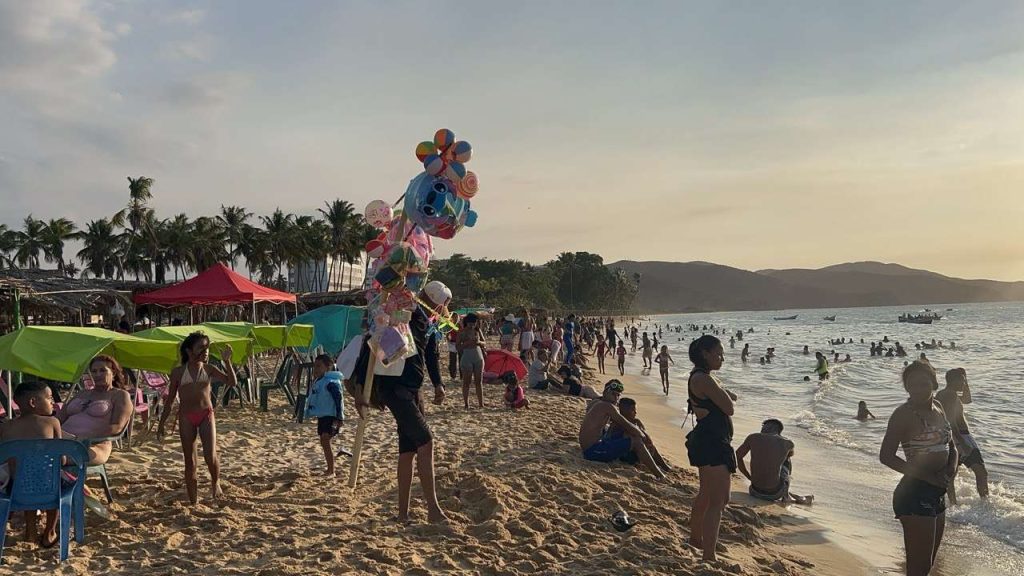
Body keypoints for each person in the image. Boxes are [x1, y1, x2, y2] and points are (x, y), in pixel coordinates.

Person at [350, 280, 449, 523]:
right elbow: (372, 344)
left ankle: (402, 514)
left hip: (413, 389)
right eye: (442, 305)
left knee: (408, 451)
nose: (444, 310)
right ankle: (433, 511)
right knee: (426, 442)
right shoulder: (405, 312)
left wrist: (437, 383)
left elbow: (430, 354)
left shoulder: (426, 321)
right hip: (396, 388)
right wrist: (361, 389)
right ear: (434, 301)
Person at [879, 361, 957, 576]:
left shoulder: (939, 407)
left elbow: (952, 446)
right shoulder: (902, 415)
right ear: (906, 387)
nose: (919, 390)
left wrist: (950, 472)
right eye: (913, 385)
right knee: (918, 569)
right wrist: (928, 478)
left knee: (928, 564)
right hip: (914, 493)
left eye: (924, 384)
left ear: (933, 383)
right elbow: (886, 456)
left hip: (938, 493)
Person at [158, 334, 237, 504]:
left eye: (207, 348)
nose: (205, 351)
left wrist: (227, 361)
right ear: (189, 350)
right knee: (190, 461)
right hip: (186, 417)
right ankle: (194, 501)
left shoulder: (208, 369)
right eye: (201, 348)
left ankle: (215, 483)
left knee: (210, 455)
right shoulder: (178, 372)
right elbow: (170, 399)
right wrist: (162, 423)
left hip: (206, 414)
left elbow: (232, 382)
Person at [685, 335, 736, 562]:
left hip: (707, 440)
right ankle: (709, 555)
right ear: (705, 353)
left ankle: (696, 539)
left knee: (706, 494)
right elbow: (729, 407)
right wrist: (724, 394)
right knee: (719, 501)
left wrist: (722, 392)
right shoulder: (704, 379)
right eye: (719, 353)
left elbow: (720, 398)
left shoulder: (699, 377)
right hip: (713, 443)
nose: (722, 358)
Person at [0, 382, 62, 548]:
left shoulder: (6, 427)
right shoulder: (52, 423)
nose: (52, 402)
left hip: (17, 489)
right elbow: (60, 459)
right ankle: (50, 532)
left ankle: (31, 531)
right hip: (49, 488)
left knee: (25, 475)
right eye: (49, 398)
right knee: (53, 479)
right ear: (33, 402)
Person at [578, 380, 665, 478]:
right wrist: (644, 436)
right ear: (605, 392)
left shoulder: (598, 403)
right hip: (592, 452)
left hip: (592, 447)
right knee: (636, 441)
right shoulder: (607, 406)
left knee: (629, 434)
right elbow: (627, 425)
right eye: (613, 394)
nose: (616, 397)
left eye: (618, 395)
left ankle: (660, 466)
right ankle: (660, 475)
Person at [59, 355, 134, 466]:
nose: (97, 375)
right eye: (94, 371)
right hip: (62, 440)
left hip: (94, 445)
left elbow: (117, 426)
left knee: (56, 458)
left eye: (102, 370)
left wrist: (84, 438)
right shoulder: (82, 393)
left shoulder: (119, 395)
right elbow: (59, 418)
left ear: (113, 373)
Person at [936, 368, 988, 502]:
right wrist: (963, 443)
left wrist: (966, 380)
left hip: (949, 437)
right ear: (954, 380)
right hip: (960, 436)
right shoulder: (950, 396)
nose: (964, 384)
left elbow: (967, 399)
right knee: (981, 472)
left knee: (952, 474)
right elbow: (950, 421)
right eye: (962, 380)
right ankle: (985, 505)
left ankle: (953, 504)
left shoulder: (944, 394)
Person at [735, 419, 813, 505]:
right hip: (774, 494)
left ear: (763, 428)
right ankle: (786, 496)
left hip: (754, 490)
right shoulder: (788, 443)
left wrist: (749, 477)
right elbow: (790, 455)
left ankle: (791, 495)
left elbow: (738, 456)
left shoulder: (752, 437)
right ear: (779, 431)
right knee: (786, 460)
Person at [305, 354, 345, 476]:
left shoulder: (331, 382)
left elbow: (339, 399)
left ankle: (331, 470)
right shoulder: (319, 381)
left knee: (325, 440)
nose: (315, 369)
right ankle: (330, 467)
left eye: (319, 366)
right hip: (322, 416)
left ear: (328, 367)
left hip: (331, 416)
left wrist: (339, 417)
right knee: (324, 442)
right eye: (314, 366)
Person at [608, 397, 671, 471]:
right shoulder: (619, 423)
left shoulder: (632, 422)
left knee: (650, 446)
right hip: (622, 455)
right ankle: (663, 467)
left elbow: (645, 436)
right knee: (642, 443)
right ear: (624, 411)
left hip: (629, 450)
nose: (635, 412)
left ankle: (664, 466)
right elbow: (641, 437)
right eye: (632, 410)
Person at [457, 313, 486, 410]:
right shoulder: (461, 332)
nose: (472, 325)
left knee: (479, 381)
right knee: (466, 382)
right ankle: (466, 404)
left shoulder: (477, 331)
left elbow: (484, 342)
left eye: (474, 323)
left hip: (478, 356)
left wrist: (478, 342)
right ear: (466, 322)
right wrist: (467, 343)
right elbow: (458, 347)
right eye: (470, 323)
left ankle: (481, 404)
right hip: (467, 356)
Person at [446, 312, 460, 381]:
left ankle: (462, 376)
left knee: (461, 360)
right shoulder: (450, 325)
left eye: (457, 317)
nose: (456, 318)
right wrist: (449, 340)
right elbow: (447, 334)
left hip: (460, 343)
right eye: (455, 317)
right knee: (452, 360)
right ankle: (453, 376)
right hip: (453, 343)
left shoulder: (460, 325)